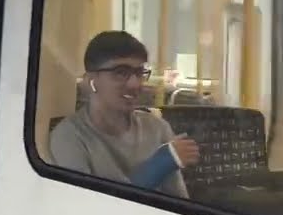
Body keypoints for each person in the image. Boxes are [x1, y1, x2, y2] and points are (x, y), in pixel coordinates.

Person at [49, 30, 200, 198]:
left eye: (139, 73)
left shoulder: (157, 128)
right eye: (121, 72)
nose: (135, 84)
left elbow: (180, 203)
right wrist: (159, 164)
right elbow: (89, 212)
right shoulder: (69, 137)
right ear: (91, 81)